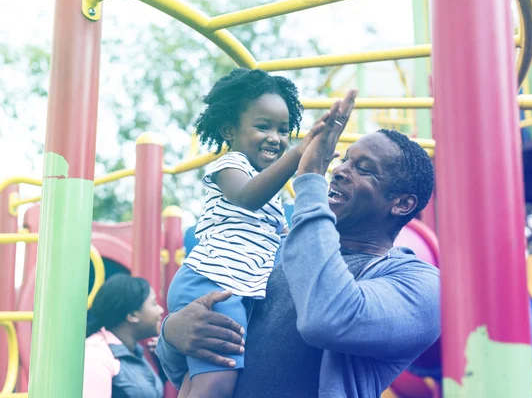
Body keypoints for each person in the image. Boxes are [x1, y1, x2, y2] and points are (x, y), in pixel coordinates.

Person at [156, 90, 441, 397]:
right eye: (344, 160)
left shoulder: (420, 285)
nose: (341, 171)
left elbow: (327, 319)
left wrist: (309, 179)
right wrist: (173, 334)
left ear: (401, 204)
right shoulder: (274, 250)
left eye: (363, 169)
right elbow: (192, 367)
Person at [166, 68, 334, 398]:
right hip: (212, 282)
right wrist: (299, 154)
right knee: (219, 380)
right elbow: (247, 198)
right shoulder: (230, 167)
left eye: (284, 130)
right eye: (263, 126)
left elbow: (289, 241)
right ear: (230, 130)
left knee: (200, 378)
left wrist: (316, 174)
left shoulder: (273, 196)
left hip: (234, 287)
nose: (276, 137)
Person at [83, 274, 165, 398]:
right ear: (132, 315)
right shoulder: (96, 353)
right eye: (154, 304)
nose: (161, 310)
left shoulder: (135, 351)